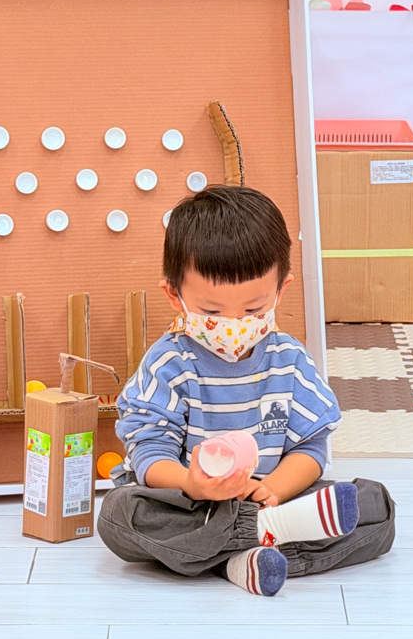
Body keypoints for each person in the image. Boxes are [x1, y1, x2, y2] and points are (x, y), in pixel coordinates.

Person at [97, 186, 395, 596]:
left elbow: (311, 449)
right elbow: (149, 449)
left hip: (272, 498)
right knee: (119, 513)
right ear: (174, 295)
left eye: (253, 309)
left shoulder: (289, 360)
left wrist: (273, 490)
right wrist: (192, 484)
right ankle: (259, 543)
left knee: (375, 505)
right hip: (191, 506)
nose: (235, 324)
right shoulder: (170, 363)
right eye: (212, 312)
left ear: (281, 290)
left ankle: (234, 555)